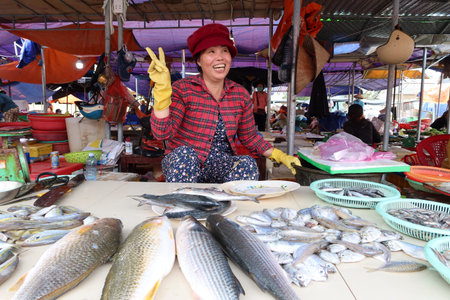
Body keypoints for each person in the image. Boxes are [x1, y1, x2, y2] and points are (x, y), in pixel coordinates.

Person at [146, 23, 300, 183]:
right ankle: (189, 205)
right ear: (199, 60)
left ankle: (230, 205)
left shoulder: (240, 94)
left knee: (247, 164)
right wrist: (162, 94)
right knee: (184, 156)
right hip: (184, 162)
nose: (220, 57)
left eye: (224, 51)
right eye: (211, 52)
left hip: (219, 164)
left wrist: (279, 155)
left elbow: (249, 136)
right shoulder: (182, 89)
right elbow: (163, 133)